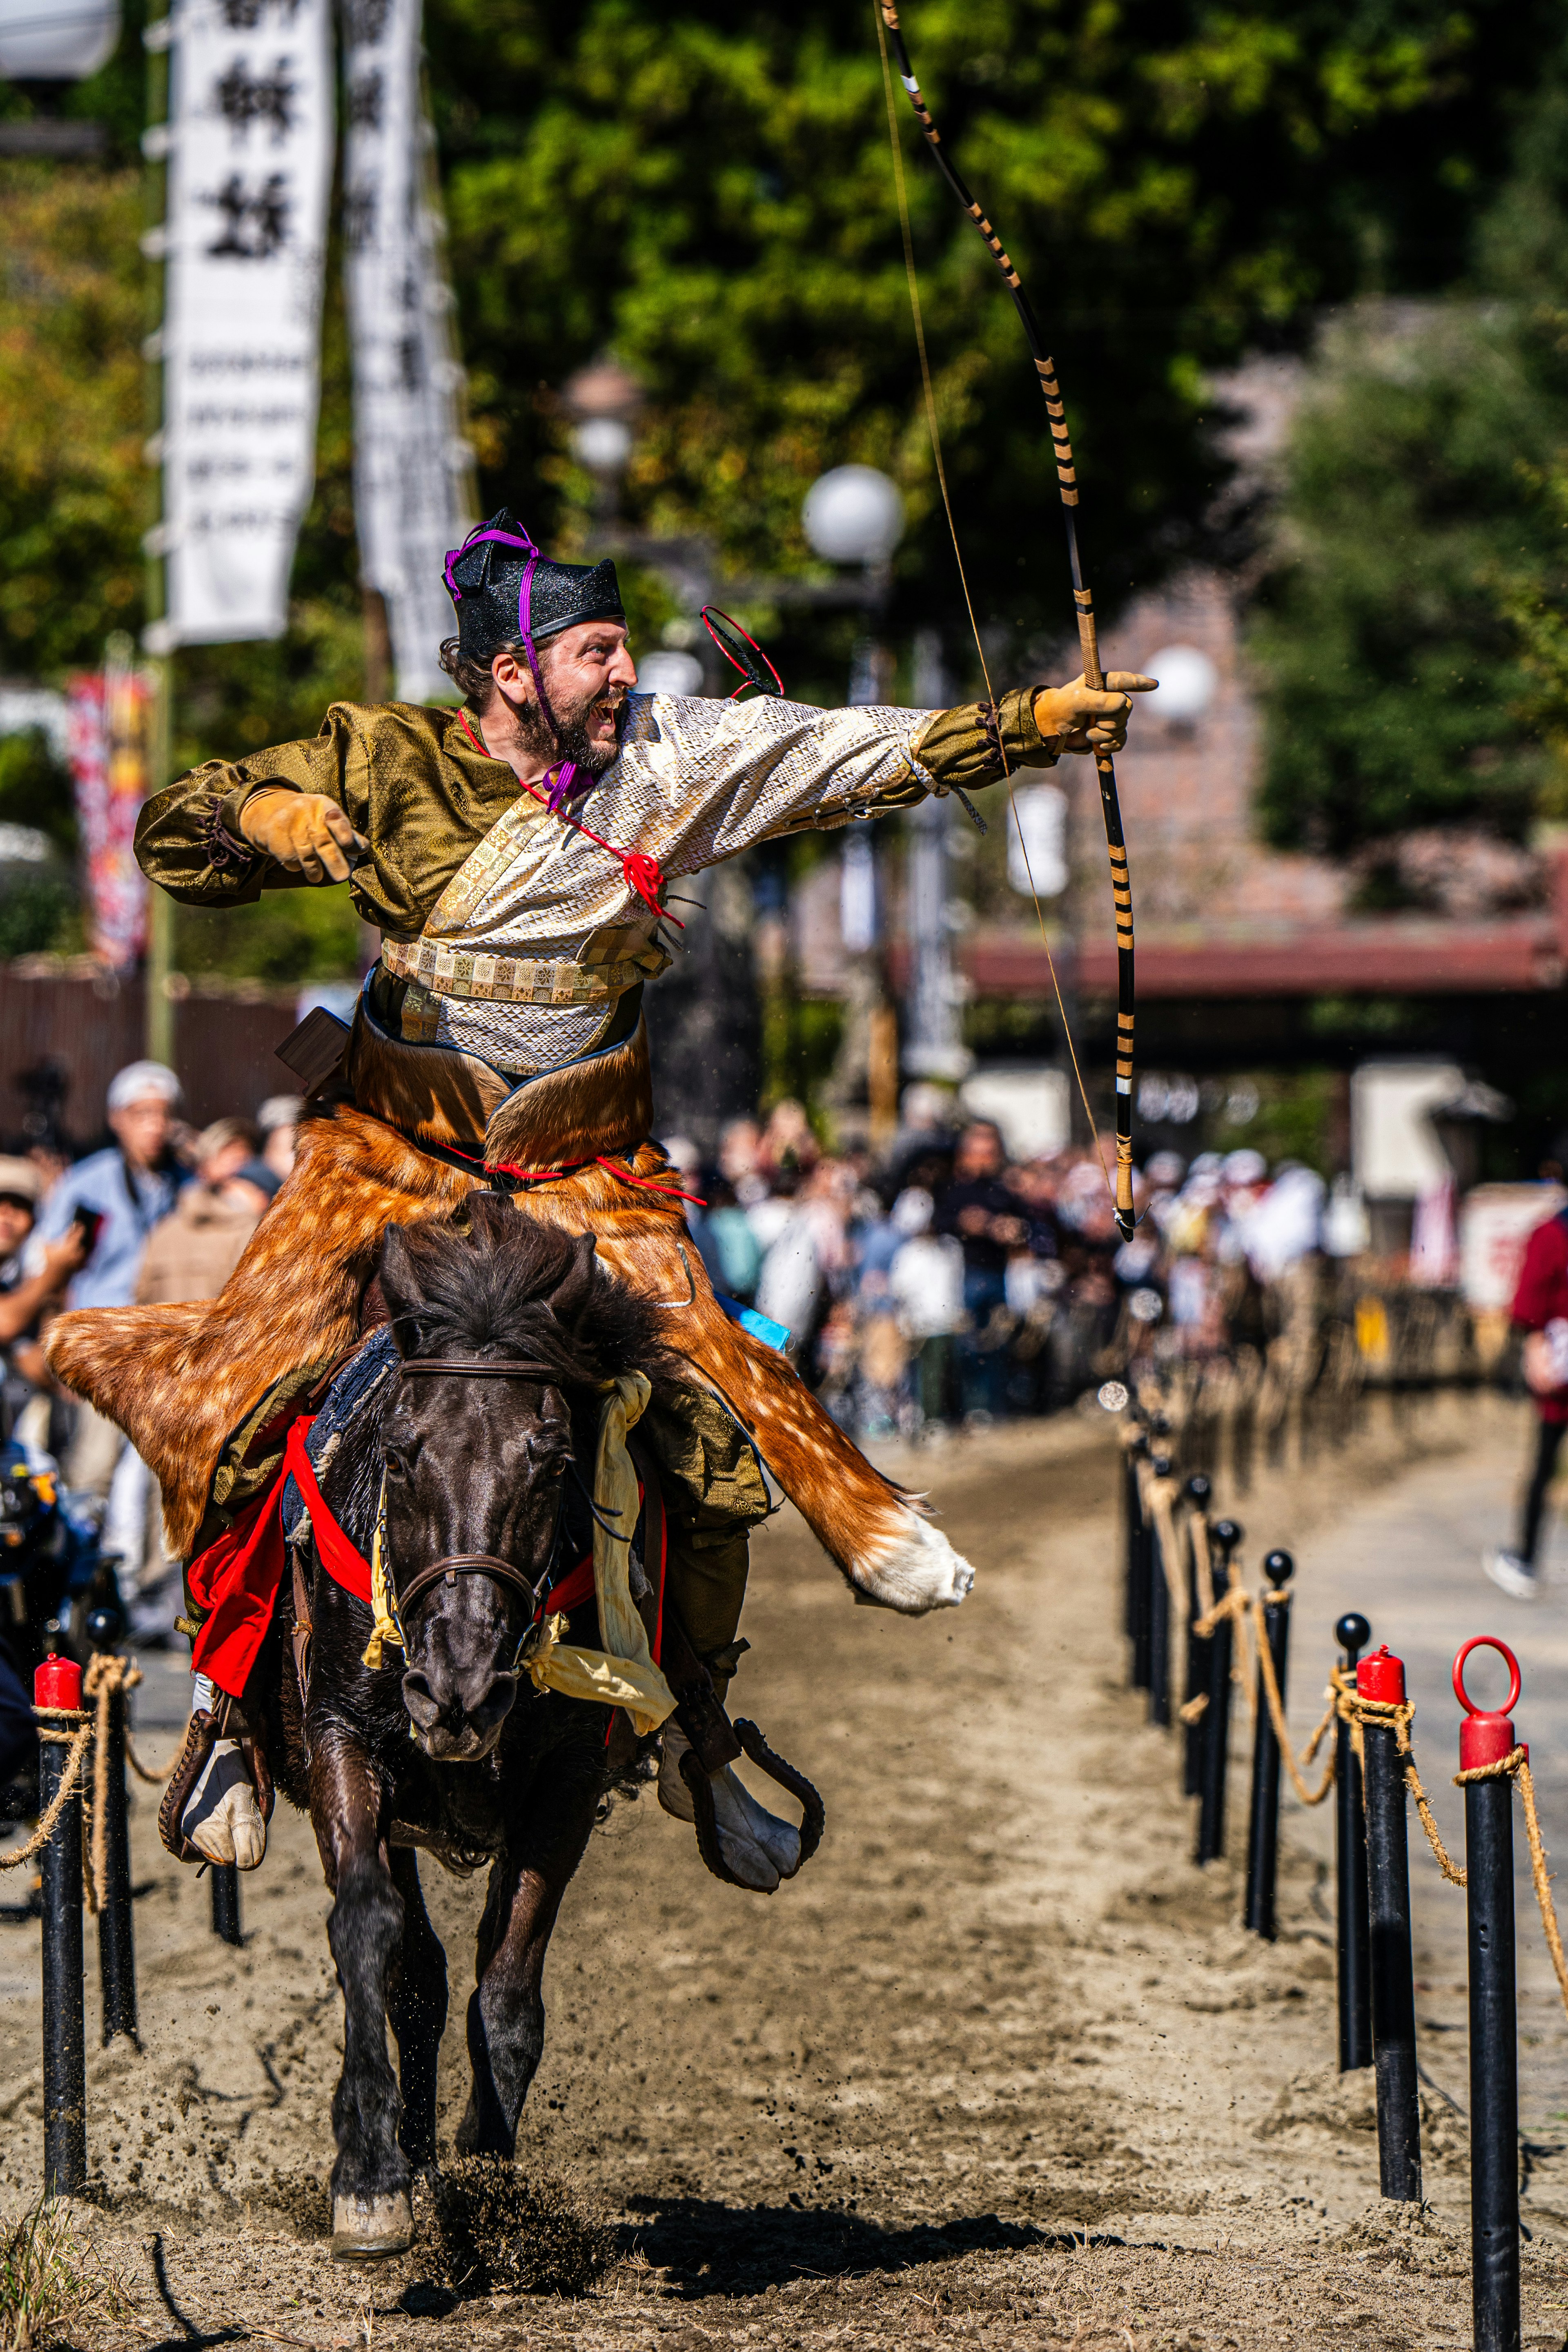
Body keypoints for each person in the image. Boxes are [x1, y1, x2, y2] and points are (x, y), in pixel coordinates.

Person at [50, 508, 1158, 1888]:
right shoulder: (384, 756)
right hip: (389, 1147)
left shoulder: (667, 758)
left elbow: (849, 747)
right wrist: (277, 821)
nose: (627, 671)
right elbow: (178, 823)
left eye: (625, 645)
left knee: (719, 1426)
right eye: (598, 649)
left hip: (589, 1169)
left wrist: (1034, 723)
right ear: (512, 671)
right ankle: (230, 1707)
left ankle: (703, 1727)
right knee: (225, 1400)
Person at [31, 1063, 183, 1496]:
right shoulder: (89, 1185)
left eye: (164, 1114)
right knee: (93, 1471)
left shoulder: (182, 1184)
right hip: (102, 1347)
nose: (155, 1126)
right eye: (142, 1114)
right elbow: (49, 1267)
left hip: (161, 1351)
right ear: (117, 1119)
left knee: (161, 1477)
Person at [1486, 1194, 1568, 1601]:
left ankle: (1526, 1559)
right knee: (1544, 1465)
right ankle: (1525, 1559)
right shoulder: (1551, 1233)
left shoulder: (1551, 1233)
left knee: (1544, 1466)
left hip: (1559, 1368)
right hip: (1559, 1370)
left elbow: (1531, 1302)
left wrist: (1537, 1351)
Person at [935, 1120, 1027, 1423]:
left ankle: (993, 1407)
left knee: (997, 1343)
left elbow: (1026, 1228)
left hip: (998, 1275)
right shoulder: (952, 1189)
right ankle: (971, 1408)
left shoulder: (1004, 1192)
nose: (985, 1159)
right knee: (968, 1346)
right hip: (964, 1275)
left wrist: (1013, 1231)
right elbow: (941, 1223)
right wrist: (972, 1224)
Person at [0, 1157, 88, 1444]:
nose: (7, 1216)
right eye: (0, 1204)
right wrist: (51, 1275)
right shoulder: (46, 1271)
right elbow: (4, 1324)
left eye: (19, 1207)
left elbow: (48, 1366)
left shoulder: (30, 1263)